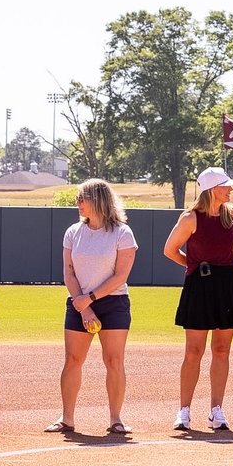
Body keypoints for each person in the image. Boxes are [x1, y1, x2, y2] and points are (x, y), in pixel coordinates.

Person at [45, 179, 138, 434]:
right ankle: (67, 418)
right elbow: (69, 273)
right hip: (79, 302)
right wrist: (84, 307)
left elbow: (121, 276)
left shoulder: (122, 232)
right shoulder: (73, 232)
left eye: (81, 198)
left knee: (114, 360)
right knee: (73, 360)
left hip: (113, 302)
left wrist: (92, 299)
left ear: (97, 200)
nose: (78, 203)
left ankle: (116, 419)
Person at [163, 167, 233, 431]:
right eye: (226, 186)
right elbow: (169, 250)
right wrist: (194, 266)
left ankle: (216, 411)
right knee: (194, 351)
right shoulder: (190, 218)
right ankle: (184, 411)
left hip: (228, 284)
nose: (231, 190)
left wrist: (219, 272)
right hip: (199, 285)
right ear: (212, 189)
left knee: (222, 350)